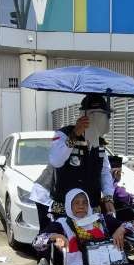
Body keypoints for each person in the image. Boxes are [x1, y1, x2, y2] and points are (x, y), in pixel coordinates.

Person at [30, 94, 116, 228]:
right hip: (50, 198)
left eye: (105, 117)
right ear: (86, 115)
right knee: (54, 237)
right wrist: (75, 134)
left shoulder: (99, 143)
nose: (103, 121)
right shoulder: (64, 134)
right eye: (99, 116)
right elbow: (56, 160)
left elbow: (104, 171)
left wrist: (108, 197)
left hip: (80, 201)